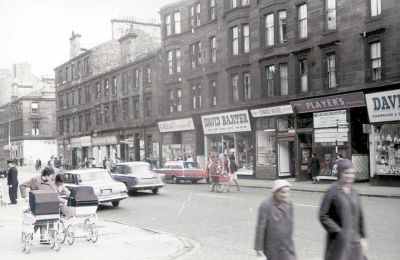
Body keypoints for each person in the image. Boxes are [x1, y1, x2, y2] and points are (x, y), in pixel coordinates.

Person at [319, 159, 368, 260]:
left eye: (352, 173)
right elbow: (323, 215)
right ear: (340, 173)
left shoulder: (354, 193)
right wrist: (338, 231)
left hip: (354, 240)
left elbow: (360, 216)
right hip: (338, 242)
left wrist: (363, 235)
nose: (350, 176)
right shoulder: (332, 192)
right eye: (346, 173)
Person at [255, 179, 296, 260]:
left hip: (287, 246)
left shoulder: (289, 204)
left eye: (287, 192)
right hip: (273, 248)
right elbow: (260, 228)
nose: (285, 195)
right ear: (275, 192)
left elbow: (290, 224)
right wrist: (259, 248)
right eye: (282, 192)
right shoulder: (266, 206)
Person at [19, 167, 57, 243]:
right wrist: (25, 196)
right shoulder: (34, 180)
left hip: (46, 205)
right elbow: (22, 186)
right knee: (39, 219)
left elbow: (55, 193)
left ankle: (43, 237)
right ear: (46, 175)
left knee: (48, 218)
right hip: (35, 205)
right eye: (51, 176)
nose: (52, 178)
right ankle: (34, 234)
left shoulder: (50, 183)